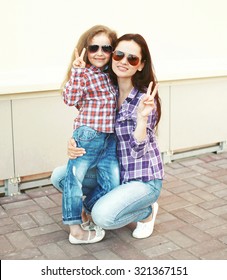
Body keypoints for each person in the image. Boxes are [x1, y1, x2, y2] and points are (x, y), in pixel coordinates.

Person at [51, 33, 164, 241]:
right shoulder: (107, 88)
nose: (123, 61)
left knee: (102, 216)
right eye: (119, 54)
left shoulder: (144, 100)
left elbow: (138, 150)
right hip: (117, 171)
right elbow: (88, 119)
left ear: (140, 65)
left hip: (142, 179)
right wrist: (76, 141)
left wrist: (141, 119)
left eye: (132, 58)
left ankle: (146, 212)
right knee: (61, 176)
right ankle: (98, 204)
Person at [56, 25, 120, 245]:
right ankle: (75, 229)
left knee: (111, 183)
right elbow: (69, 99)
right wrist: (77, 71)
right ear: (85, 49)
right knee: (74, 180)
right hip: (88, 135)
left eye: (106, 47)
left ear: (113, 51)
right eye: (93, 47)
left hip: (110, 138)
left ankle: (88, 208)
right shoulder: (83, 74)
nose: (99, 52)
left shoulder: (111, 75)